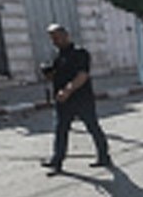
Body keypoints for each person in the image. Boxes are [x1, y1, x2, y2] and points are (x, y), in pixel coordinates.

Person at [41, 24, 111, 174]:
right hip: (63, 100)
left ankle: (104, 156)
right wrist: (47, 72)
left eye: (57, 37)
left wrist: (67, 90)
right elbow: (55, 75)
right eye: (52, 38)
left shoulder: (80, 53)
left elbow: (82, 75)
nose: (55, 41)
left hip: (81, 99)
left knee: (92, 127)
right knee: (61, 130)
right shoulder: (58, 56)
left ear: (66, 36)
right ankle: (57, 161)